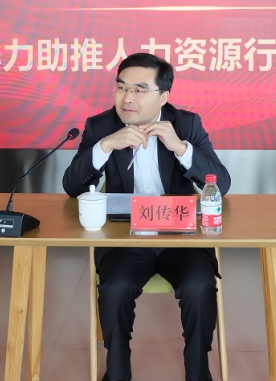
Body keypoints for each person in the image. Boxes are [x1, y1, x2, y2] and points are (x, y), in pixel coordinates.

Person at [62, 52, 231, 381]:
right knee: (114, 287)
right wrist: (104, 146)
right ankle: (117, 372)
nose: (127, 98)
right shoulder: (101, 126)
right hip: (125, 237)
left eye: (140, 90)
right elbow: (72, 186)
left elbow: (220, 185)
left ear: (163, 96)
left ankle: (198, 372)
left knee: (199, 285)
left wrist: (180, 148)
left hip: (180, 237)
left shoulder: (186, 124)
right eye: (121, 87)